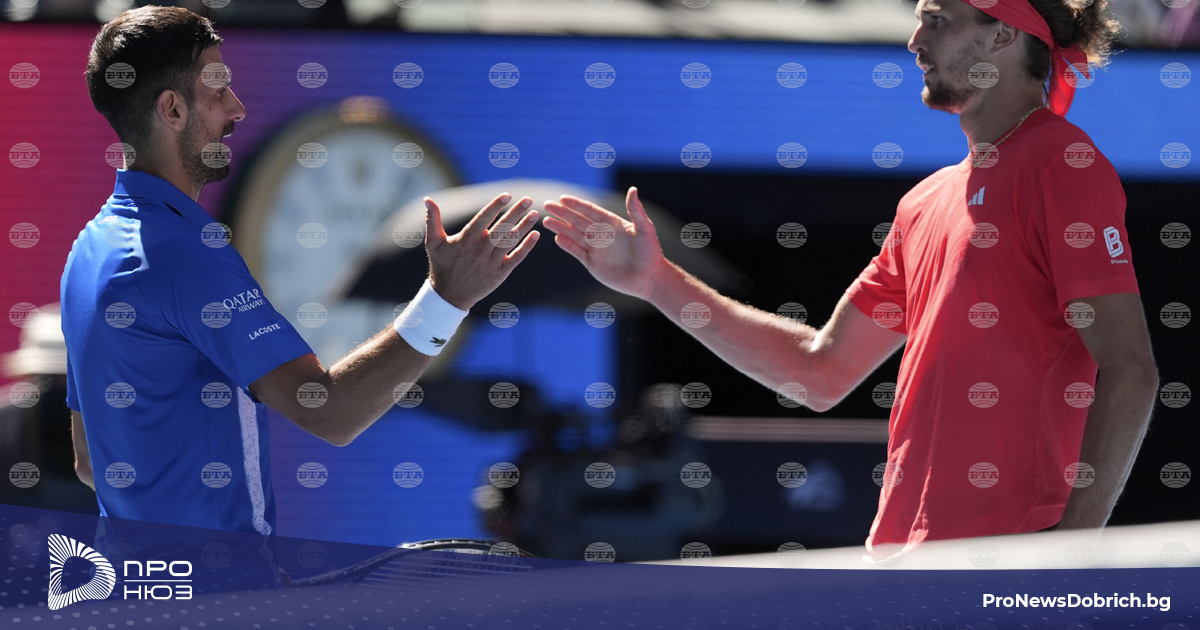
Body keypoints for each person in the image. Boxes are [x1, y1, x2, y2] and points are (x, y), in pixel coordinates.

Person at [541, 0, 1159, 553]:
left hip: (1009, 560)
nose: (915, 41)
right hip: (897, 558)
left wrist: (1070, 552)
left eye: (936, 20)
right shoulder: (924, 202)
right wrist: (656, 281)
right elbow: (820, 371)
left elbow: (1131, 370)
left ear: (1002, 34)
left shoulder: (1063, 161)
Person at [63, 6, 540, 535]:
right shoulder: (186, 254)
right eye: (218, 90)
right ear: (172, 110)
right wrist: (447, 298)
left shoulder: (88, 252)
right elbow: (329, 412)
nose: (237, 107)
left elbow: (90, 460)